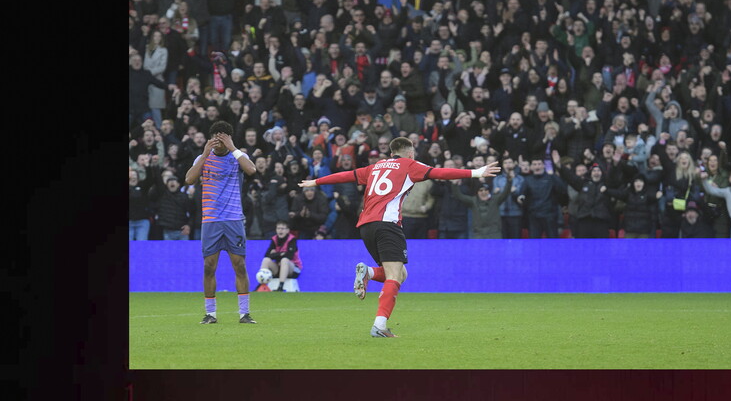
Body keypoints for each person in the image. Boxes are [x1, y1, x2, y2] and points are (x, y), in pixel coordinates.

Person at [298, 136, 500, 337]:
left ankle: (368, 273)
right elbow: (439, 173)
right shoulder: (410, 165)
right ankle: (379, 325)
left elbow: (346, 175)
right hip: (387, 225)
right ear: (410, 153)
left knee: (400, 274)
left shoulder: (375, 167)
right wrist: (476, 172)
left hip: (366, 226)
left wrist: (316, 181)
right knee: (395, 276)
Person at [185, 120, 259, 324]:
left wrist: (233, 147)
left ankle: (244, 314)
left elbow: (251, 170)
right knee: (209, 266)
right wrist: (204, 154)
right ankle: (210, 314)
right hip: (211, 220)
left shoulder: (238, 157)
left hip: (234, 218)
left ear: (229, 138)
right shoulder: (203, 158)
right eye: (216, 136)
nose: (219, 140)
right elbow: (189, 180)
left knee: (240, 266)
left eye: (223, 136)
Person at [257, 219, 302, 292]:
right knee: (266, 260)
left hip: (293, 269)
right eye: (278, 228)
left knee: (284, 260)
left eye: (282, 229)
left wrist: (274, 254)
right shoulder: (274, 239)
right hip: (279, 267)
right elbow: (267, 255)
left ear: (287, 230)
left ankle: (281, 286)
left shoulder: (292, 240)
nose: (280, 231)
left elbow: (289, 256)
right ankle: (262, 284)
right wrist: (280, 254)